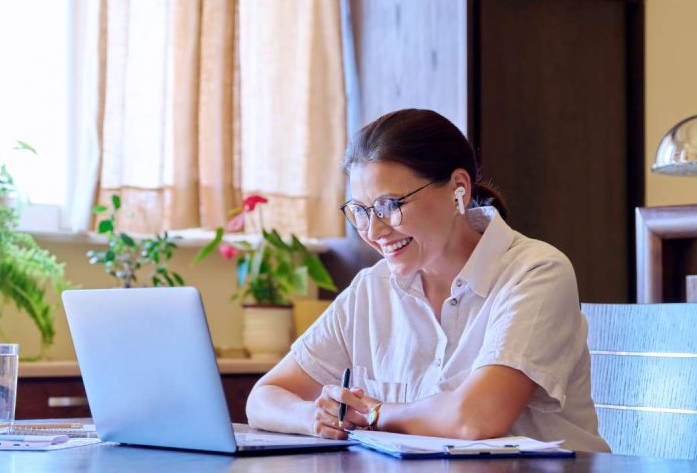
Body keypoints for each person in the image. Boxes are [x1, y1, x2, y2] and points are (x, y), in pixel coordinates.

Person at [244, 109, 609, 452]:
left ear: (458, 189)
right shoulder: (371, 289)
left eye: (390, 205)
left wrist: (374, 413)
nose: (374, 230)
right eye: (360, 211)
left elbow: (475, 418)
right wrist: (314, 417)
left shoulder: (536, 273)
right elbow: (264, 397)